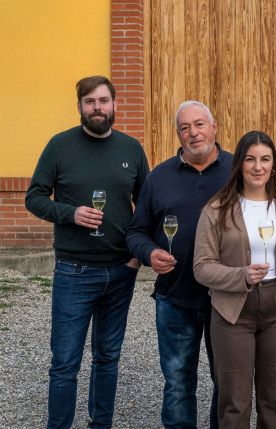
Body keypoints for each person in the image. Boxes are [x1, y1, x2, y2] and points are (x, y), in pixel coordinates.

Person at [25, 75, 149, 429]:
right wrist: (71, 213)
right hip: (74, 271)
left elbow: (147, 206)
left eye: (103, 100)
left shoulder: (131, 149)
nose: (98, 108)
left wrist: (135, 258)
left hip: (121, 272)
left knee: (107, 358)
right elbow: (34, 197)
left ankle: (101, 425)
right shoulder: (59, 146)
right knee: (65, 363)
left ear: (114, 104)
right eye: (90, 101)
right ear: (79, 106)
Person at [126, 100, 232, 428]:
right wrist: (149, 253)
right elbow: (137, 231)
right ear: (178, 135)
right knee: (177, 382)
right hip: (175, 297)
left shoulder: (237, 170)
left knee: (227, 382)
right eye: (185, 128)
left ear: (214, 127)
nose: (193, 133)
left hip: (226, 299)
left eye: (199, 124)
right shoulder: (159, 177)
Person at [193, 131, 276, 428]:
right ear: (239, 164)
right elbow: (201, 267)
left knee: (275, 405)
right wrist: (240, 275)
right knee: (234, 405)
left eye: (265, 159)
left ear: (274, 165)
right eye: (250, 159)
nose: (258, 166)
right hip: (233, 312)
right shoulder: (216, 210)